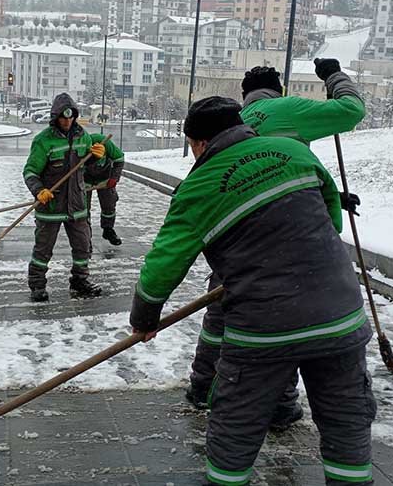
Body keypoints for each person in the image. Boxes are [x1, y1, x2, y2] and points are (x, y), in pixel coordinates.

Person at [130, 97, 376, 486]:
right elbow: (332, 216)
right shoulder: (294, 151)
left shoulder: (197, 188)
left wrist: (144, 317)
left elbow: (163, 266)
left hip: (263, 331)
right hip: (340, 317)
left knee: (236, 423)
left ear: (199, 143)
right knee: (346, 421)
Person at [184, 58, 366, 431]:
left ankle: (203, 384)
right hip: (292, 241)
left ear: (245, 96)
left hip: (234, 237)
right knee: (285, 316)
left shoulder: (232, 121)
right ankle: (280, 405)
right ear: (278, 91)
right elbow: (351, 110)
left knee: (221, 311)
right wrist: (334, 76)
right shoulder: (288, 108)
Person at [23, 93, 106, 302]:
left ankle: (80, 281)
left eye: (71, 117)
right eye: (63, 117)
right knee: (43, 249)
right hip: (51, 205)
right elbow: (30, 172)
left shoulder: (83, 136)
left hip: (77, 205)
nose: (67, 121)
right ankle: (37, 284)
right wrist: (39, 190)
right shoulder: (43, 140)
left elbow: (84, 168)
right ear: (55, 117)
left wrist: (95, 158)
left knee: (83, 246)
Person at [84, 132, 125, 246]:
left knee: (109, 203)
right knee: (82, 208)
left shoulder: (105, 143)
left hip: (105, 178)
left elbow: (119, 159)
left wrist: (114, 178)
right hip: (84, 179)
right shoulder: (80, 146)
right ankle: (85, 237)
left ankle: (108, 229)